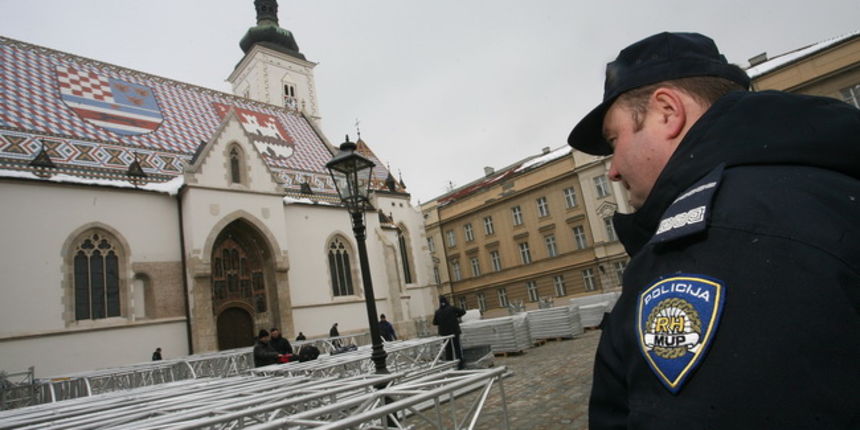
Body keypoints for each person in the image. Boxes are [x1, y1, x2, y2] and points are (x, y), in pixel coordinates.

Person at [568, 32, 860, 429]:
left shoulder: (710, 240)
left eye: (615, 139)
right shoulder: (824, 186)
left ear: (668, 112)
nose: (614, 169)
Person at [432, 296, 466, 370]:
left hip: (445, 334)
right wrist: (456, 316)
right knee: (457, 349)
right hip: (454, 332)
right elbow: (463, 312)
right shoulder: (452, 308)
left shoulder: (438, 312)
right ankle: (460, 365)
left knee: (448, 350)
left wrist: (441, 322)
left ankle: (449, 366)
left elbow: (434, 322)